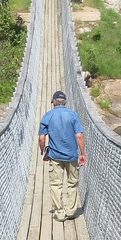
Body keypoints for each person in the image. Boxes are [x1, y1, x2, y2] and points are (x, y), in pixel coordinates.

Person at [38, 90, 86, 222]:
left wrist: (44, 153)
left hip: (55, 156)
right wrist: (82, 153)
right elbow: (79, 136)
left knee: (56, 185)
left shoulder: (47, 115)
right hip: (71, 156)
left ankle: (59, 213)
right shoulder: (73, 114)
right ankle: (71, 211)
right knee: (72, 183)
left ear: (53, 102)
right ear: (65, 102)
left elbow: (42, 138)